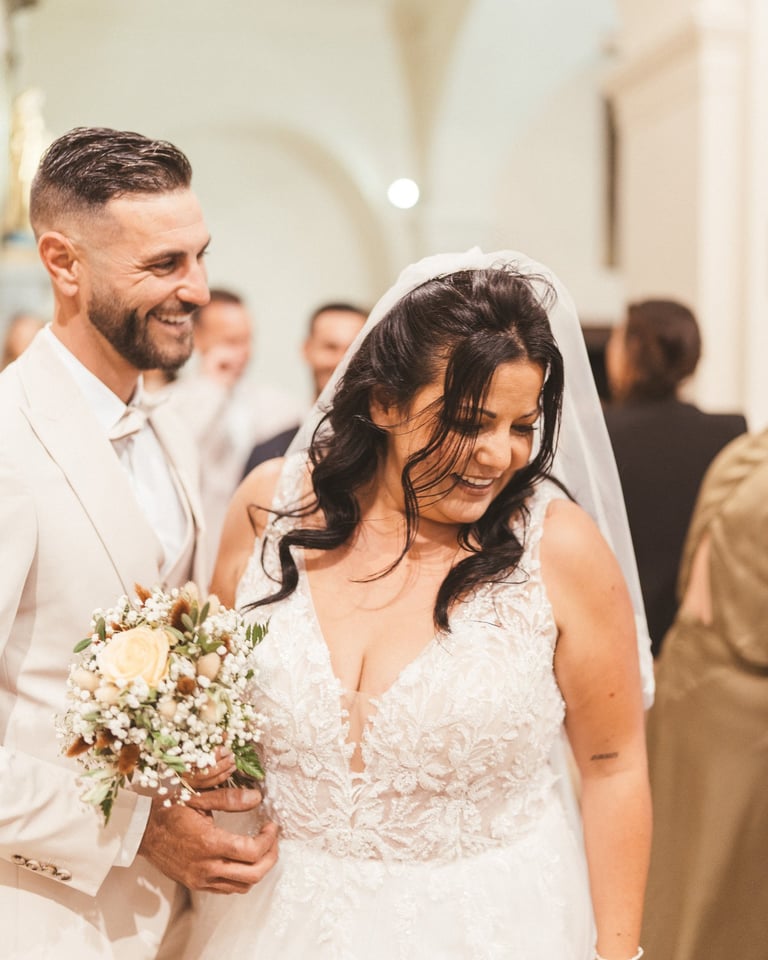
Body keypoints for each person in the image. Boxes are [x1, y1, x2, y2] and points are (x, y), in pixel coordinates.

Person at [188, 249, 654, 960]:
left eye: (521, 426)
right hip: (271, 921)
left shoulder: (559, 549)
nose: (499, 455)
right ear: (383, 402)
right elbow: (208, 719)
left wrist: (618, 953)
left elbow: (613, 765)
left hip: (486, 929)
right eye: (469, 422)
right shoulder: (268, 509)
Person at [0, 127, 277, 959]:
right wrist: (133, 831)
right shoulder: (8, 442)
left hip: (172, 918)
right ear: (64, 264)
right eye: (163, 265)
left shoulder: (169, 429)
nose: (198, 290)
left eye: (200, 257)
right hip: (38, 913)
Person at [641, 428, 768, 960]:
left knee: (680, 876)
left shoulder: (745, 453)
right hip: (740, 712)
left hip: (688, 682)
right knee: (718, 893)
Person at [603, 299, 746, 655]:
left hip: (614, 631)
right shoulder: (729, 433)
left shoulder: (598, 434)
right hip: (705, 640)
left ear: (631, 352)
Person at [167, 288, 305, 573]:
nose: (244, 351)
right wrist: (212, 387)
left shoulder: (280, 404)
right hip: (197, 555)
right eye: (231, 341)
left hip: (262, 554)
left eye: (247, 339)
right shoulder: (171, 404)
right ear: (197, 337)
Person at [242, 301, 367, 474]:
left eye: (353, 350)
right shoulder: (267, 453)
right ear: (307, 349)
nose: (342, 362)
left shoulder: (385, 451)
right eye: (330, 347)